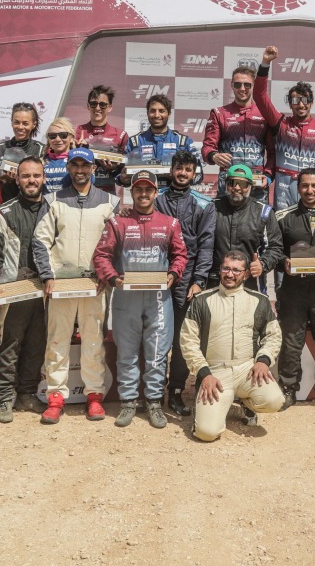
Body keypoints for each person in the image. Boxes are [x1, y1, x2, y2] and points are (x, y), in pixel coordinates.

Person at [94, 169, 188, 429]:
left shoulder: (169, 223)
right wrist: (113, 279)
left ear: (156, 192)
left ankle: (154, 402)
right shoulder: (118, 223)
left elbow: (181, 255)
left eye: (148, 189)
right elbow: (101, 256)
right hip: (126, 298)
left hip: (158, 297)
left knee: (157, 353)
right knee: (126, 352)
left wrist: (173, 274)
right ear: (131, 192)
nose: (143, 194)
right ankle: (128, 402)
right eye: (138, 189)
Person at [33, 148, 120, 425]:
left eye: (85, 165)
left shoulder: (110, 201)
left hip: (95, 284)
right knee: (57, 338)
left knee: (94, 339)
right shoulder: (54, 199)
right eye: (75, 165)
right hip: (62, 284)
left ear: (94, 168)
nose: (80, 170)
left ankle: (94, 395)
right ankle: (55, 396)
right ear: (68, 168)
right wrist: (47, 276)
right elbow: (41, 241)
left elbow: (116, 245)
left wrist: (106, 276)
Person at [180, 251, 285, 441]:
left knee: (274, 401)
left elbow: (273, 335)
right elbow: (188, 341)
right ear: (220, 270)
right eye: (226, 268)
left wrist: (263, 360)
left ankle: (246, 402)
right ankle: (209, 407)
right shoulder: (202, 301)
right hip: (216, 372)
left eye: (236, 270)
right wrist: (204, 374)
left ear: (245, 274)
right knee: (207, 433)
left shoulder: (259, 301)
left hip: (247, 369)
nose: (230, 274)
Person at [0, 157, 49, 423]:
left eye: (36, 176)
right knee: (9, 344)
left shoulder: (54, 209)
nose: (31, 180)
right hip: (14, 289)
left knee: (37, 343)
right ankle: (4, 396)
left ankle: (27, 392)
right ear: (17, 179)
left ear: (44, 178)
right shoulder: (2, 212)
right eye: (26, 176)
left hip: (46, 288)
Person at [274, 168, 315, 412]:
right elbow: (274, 249)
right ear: (298, 187)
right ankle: (289, 388)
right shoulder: (283, 216)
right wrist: (285, 263)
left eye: (314, 186)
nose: (310, 191)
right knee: (291, 339)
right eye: (305, 186)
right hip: (294, 288)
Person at [155, 151, 216, 417]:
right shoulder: (156, 201)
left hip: (187, 279)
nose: (182, 173)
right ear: (171, 170)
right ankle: (153, 391)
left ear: (194, 173)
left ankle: (176, 391)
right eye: (178, 168)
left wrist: (199, 280)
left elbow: (206, 246)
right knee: (156, 336)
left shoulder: (204, 204)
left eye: (187, 169)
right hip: (156, 277)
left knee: (182, 340)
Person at [254, 45, 315, 210]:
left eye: (305, 100)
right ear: (290, 104)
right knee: (282, 232)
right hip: (283, 191)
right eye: (296, 101)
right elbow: (259, 97)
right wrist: (265, 64)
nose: (301, 105)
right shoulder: (281, 123)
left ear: (311, 103)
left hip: (310, 191)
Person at [209, 164, 283, 292]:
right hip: (217, 281)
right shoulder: (212, 208)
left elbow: (275, 247)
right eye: (232, 183)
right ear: (226, 184)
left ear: (250, 187)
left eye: (243, 184)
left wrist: (262, 264)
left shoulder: (263, 212)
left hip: (250, 282)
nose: (237, 188)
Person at [203, 66, 270, 198]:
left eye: (247, 85)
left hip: (256, 183)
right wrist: (213, 156)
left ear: (253, 86)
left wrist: (268, 176)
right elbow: (208, 147)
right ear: (232, 85)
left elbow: (273, 152)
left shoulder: (265, 114)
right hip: (229, 183)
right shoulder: (219, 113)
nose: (242, 89)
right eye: (238, 84)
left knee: (258, 219)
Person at [124, 93, 197, 186]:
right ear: (147, 113)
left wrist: (179, 176)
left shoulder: (183, 141)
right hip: (145, 196)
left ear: (169, 114)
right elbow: (120, 176)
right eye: (153, 111)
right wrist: (123, 178)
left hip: (174, 197)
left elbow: (198, 175)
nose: (157, 115)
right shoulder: (135, 141)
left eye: (161, 111)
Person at [0, 101, 44, 204]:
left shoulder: (41, 149)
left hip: (33, 206)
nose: (20, 127)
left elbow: (44, 183)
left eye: (25, 123)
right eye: (16, 122)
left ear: (33, 124)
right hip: (4, 205)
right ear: (11, 122)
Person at [74, 84, 127, 195]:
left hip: (107, 193)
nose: (97, 108)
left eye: (102, 105)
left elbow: (125, 172)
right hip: (79, 193)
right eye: (93, 104)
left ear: (110, 107)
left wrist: (113, 169)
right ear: (88, 106)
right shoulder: (77, 132)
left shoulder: (120, 135)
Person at [41, 116, 76, 195]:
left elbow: (90, 182)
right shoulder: (41, 161)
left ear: (71, 138)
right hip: (46, 205)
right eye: (52, 136)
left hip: (70, 205)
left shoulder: (78, 160)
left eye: (63, 135)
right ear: (48, 140)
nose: (57, 139)